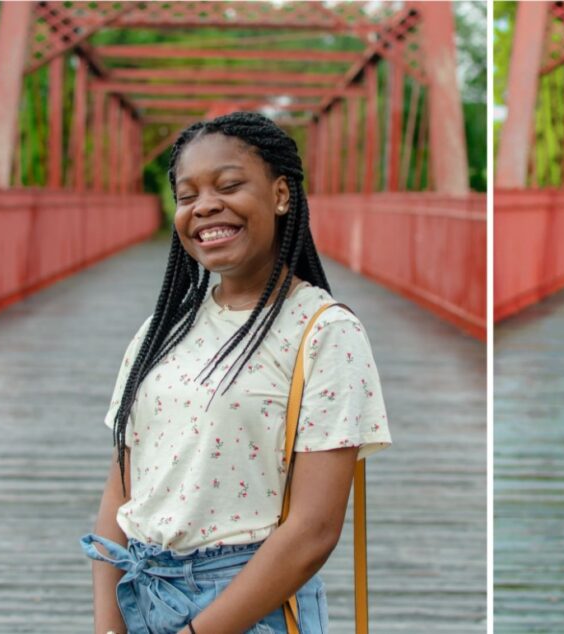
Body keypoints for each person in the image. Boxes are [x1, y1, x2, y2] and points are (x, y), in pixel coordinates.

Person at [82, 111, 391, 634]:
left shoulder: (323, 331)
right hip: (142, 594)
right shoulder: (161, 330)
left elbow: (314, 530)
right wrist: (108, 626)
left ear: (280, 195)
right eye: (186, 195)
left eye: (228, 186)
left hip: (250, 606)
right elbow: (121, 489)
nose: (204, 206)